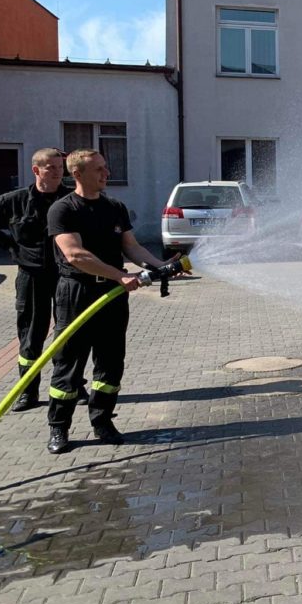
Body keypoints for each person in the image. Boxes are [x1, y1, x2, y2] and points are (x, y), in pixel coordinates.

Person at [45, 149, 183, 454]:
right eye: (98, 169)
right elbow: (75, 255)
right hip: (77, 292)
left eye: (106, 167)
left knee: (110, 362)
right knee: (69, 363)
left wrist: (160, 266)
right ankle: (59, 428)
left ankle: (102, 421)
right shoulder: (63, 209)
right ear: (77, 174)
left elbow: (131, 247)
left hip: (112, 295)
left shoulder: (114, 207)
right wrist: (120, 276)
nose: (106, 174)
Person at [0, 148, 69, 412]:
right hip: (31, 275)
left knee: (68, 333)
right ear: (36, 170)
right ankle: (28, 392)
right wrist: (10, 247)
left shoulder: (69, 200)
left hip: (65, 276)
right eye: (51, 168)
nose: (58, 172)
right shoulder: (16, 200)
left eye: (61, 168)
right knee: (31, 335)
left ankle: (71, 386)